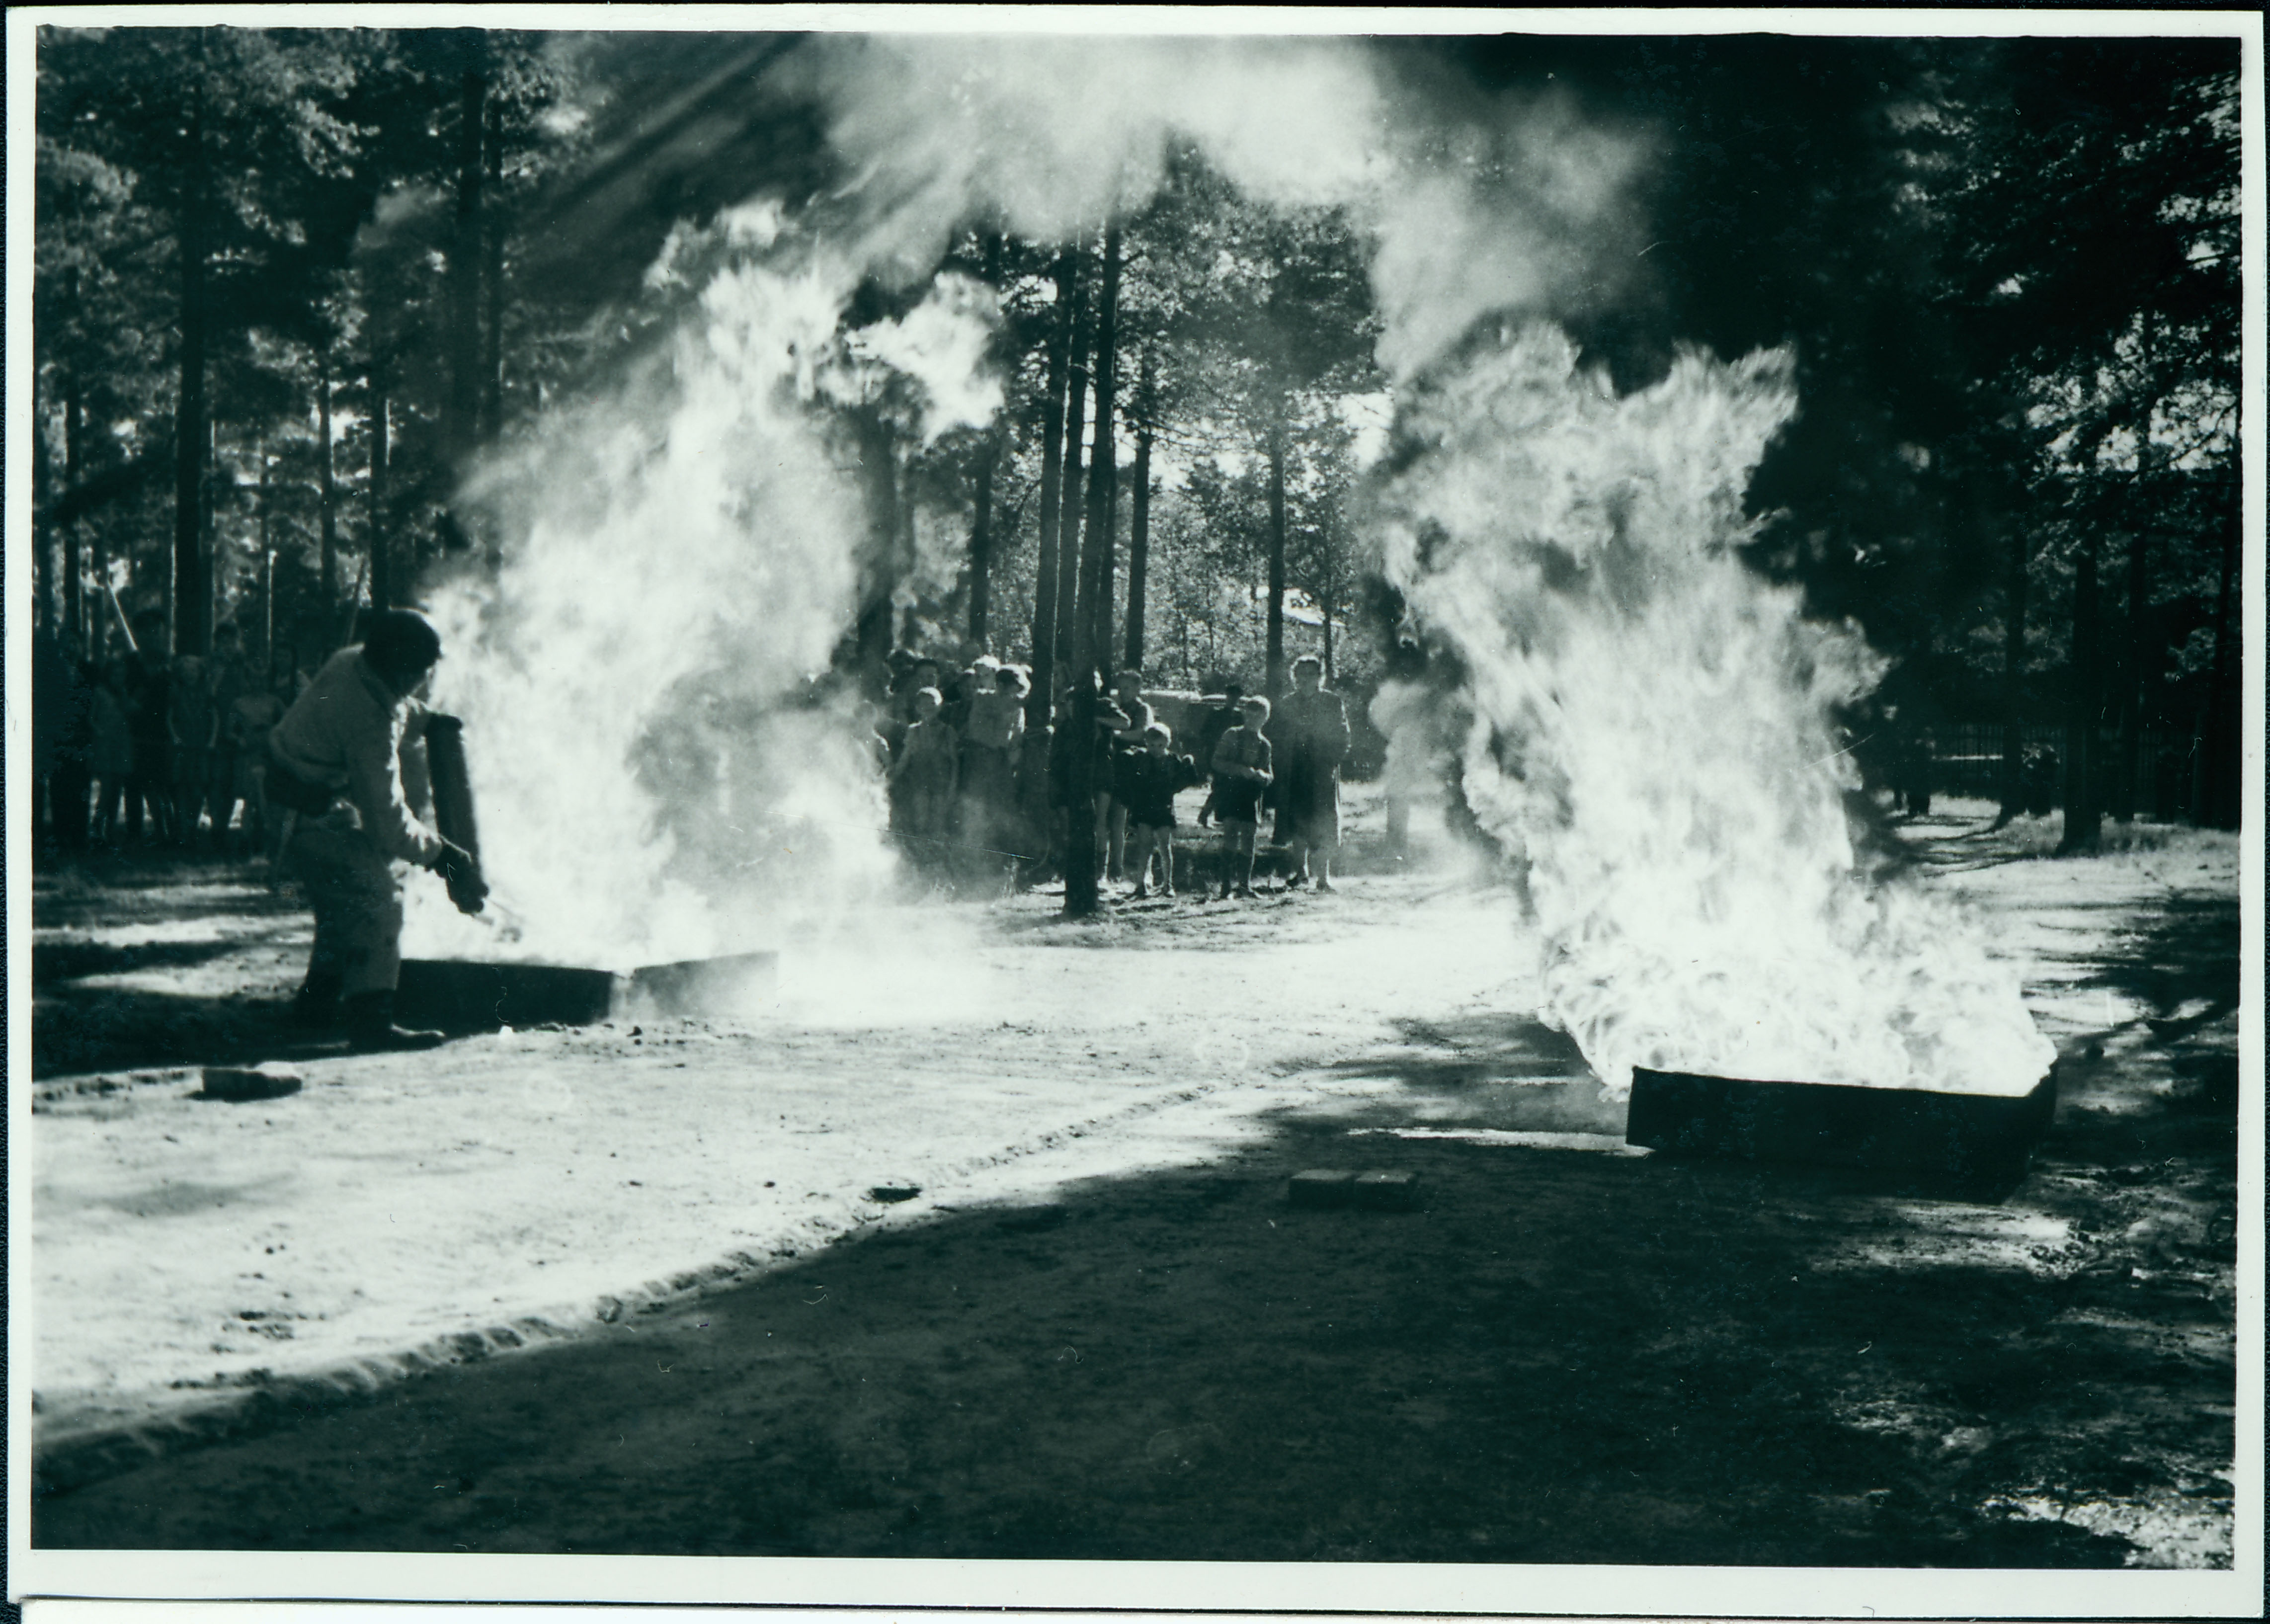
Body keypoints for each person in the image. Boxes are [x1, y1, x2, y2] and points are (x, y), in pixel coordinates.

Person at [267, 608, 486, 1051]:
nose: (423, 681)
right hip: (304, 808)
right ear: (400, 667)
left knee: (340, 908)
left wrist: (430, 720)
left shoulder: (354, 660)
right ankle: (372, 1025)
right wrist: (444, 856)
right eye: (421, 672)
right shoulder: (369, 722)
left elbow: (398, 704)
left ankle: (314, 1007)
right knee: (377, 901)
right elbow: (389, 826)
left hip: (295, 798)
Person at [1274, 655, 1352, 891]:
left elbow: (1343, 735)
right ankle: (1300, 872)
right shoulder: (1287, 703)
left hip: (1321, 771)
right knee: (1298, 823)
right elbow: (1278, 736)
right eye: (1301, 673)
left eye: (1311, 673)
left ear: (1320, 676)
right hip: (1295, 770)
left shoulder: (1332, 702)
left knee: (1323, 822)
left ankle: (1323, 878)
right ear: (1294, 676)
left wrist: (1330, 760)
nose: (1306, 678)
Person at [1118, 722, 1203, 899]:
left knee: (1165, 847)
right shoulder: (1141, 759)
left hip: (1164, 807)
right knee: (1145, 847)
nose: (1156, 749)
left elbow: (1185, 779)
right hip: (1144, 807)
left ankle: (1167, 885)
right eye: (1151, 746)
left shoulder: (1172, 761)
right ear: (1146, 744)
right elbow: (1129, 771)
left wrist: (1189, 763)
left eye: (1160, 746)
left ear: (1168, 743)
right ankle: (1140, 885)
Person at [1209, 695, 1275, 899]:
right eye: (1250, 715)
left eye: (1259, 716)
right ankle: (1226, 887)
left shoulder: (1265, 744)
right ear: (1244, 715)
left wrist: (1264, 777)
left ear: (1266, 718)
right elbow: (1217, 762)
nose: (1253, 720)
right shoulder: (1232, 735)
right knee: (1230, 836)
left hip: (1251, 796)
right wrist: (1240, 770)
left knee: (1249, 838)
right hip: (1230, 791)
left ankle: (1245, 886)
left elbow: (1270, 773)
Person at [1098, 669, 1154, 880]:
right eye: (1120, 688)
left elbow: (1142, 733)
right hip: (1111, 765)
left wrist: (1117, 733)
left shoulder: (1142, 709)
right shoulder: (1116, 707)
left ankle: (1118, 868)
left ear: (1138, 688)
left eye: (1128, 688)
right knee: (1106, 818)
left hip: (1131, 766)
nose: (1123, 692)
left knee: (1120, 820)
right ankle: (1104, 868)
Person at [888, 686, 960, 850]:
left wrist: (953, 787)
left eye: (932, 704)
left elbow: (955, 763)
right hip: (921, 782)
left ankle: (936, 858)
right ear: (918, 708)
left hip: (941, 783)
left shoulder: (947, 732)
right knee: (921, 819)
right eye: (923, 704)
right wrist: (892, 777)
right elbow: (905, 759)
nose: (928, 708)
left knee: (938, 821)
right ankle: (921, 857)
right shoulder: (914, 731)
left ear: (940, 706)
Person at [1193, 680, 1244, 828]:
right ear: (1227, 697)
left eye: (1236, 698)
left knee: (1227, 787)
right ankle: (1205, 815)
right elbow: (1204, 734)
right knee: (1220, 787)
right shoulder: (1216, 714)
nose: (1233, 700)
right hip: (1216, 755)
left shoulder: (1240, 716)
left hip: (1233, 757)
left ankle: (1218, 816)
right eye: (1231, 697)